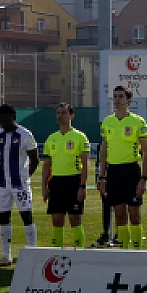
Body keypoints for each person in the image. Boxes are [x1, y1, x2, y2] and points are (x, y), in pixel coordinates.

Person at [97, 86, 147, 249]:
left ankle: (137, 250)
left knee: (134, 214)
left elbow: (146, 152)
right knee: (119, 215)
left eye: (121, 96)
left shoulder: (138, 122)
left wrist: (143, 178)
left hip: (131, 171)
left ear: (129, 100)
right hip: (113, 172)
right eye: (115, 96)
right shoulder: (107, 122)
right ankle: (124, 251)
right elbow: (104, 151)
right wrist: (102, 176)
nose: (117, 99)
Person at [0, 104, 40, 267]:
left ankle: (32, 251)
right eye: (1, 120)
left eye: (6, 120)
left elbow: (35, 159)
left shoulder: (25, 135)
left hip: (20, 184)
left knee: (26, 215)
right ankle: (6, 256)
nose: (3, 123)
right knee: (3, 216)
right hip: (3, 184)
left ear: (13, 117)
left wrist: (25, 176)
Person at [41, 102, 90, 249]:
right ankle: (57, 252)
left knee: (75, 219)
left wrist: (82, 186)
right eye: (58, 113)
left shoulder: (80, 137)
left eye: (63, 113)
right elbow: (46, 165)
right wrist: (44, 187)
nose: (60, 116)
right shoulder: (51, 138)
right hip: (56, 182)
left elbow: (86, 164)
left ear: (71, 116)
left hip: (74, 181)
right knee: (57, 219)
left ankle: (79, 251)